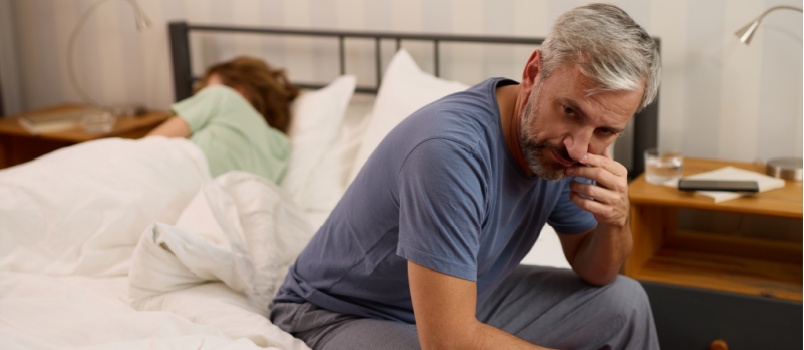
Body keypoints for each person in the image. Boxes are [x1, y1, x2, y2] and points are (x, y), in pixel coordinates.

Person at [272, 3, 661, 350]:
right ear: (532, 73)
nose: (579, 147)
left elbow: (596, 270)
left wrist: (615, 222)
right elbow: (449, 342)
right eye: (570, 111)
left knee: (622, 303)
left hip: (465, 293)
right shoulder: (450, 151)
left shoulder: (561, 149)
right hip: (342, 312)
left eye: (605, 131)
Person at [148, 56, 299, 184]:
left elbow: (149, 146)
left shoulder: (223, 96)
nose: (199, 97)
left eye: (206, 90)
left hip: (165, 179)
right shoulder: (281, 147)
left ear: (240, 92)